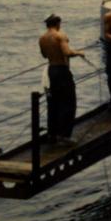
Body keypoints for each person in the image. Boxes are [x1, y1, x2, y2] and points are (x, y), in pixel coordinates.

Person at [38, 14, 85, 145]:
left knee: (53, 103)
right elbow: (67, 52)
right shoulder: (60, 35)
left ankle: (52, 135)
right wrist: (79, 52)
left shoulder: (42, 38)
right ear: (57, 23)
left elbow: (44, 55)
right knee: (68, 103)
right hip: (62, 71)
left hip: (51, 70)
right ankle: (64, 136)